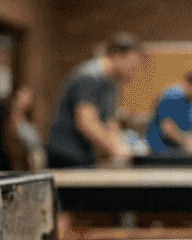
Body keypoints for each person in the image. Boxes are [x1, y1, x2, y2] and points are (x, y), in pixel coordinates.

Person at [45, 33, 146, 168]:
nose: (133, 71)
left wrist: (120, 144)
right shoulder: (91, 76)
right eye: (132, 64)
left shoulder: (112, 82)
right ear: (117, 56)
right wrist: (115, 149)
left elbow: (109, 122)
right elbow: (86, 122)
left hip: (84, 154)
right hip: (66, 154)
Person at [144, 71, 192, 155]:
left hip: (175, 148)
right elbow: (167, 127)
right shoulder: (173, 96)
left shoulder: (189, 99)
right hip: (161, 150)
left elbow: (186, 126)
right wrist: (188, 143)